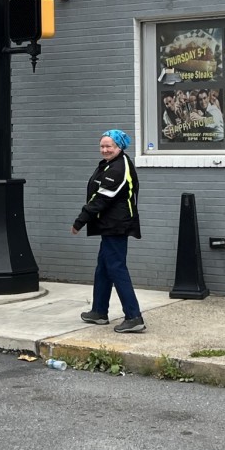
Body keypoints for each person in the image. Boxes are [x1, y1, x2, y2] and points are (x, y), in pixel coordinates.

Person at [71, 129, 145, 333]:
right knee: (103, 268)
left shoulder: (118, 168)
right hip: (109, 225)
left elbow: (102, 198)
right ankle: (99, 311)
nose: (104, 150)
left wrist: (80, 221)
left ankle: (134, 316)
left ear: (119, 147)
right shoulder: (111, 164)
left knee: (116, 268)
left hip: (116, 226)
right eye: (102, 146)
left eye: (109, 146)